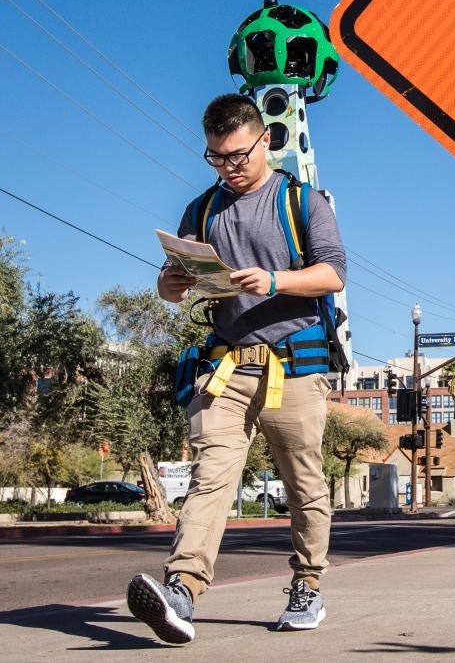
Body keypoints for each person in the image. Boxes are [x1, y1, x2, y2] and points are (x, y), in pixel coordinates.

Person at [126, 93, 346, 645]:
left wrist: (273, 281)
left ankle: (308, 584)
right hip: (226, 366)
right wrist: (170, 285)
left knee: (304, 484)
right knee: (210, 478)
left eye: (238, 156)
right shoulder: (201, 210)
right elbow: (171, 281)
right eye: (217, 157)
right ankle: (181, 590)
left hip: (295, 366)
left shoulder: (303, 201)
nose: (229, 166)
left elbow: (332, 275)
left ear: (265, 139)